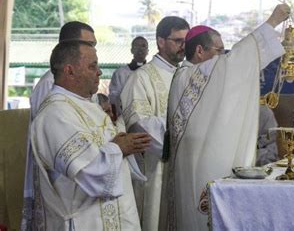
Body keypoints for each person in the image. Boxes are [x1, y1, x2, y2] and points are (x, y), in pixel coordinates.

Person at [162, 3, 290, 230]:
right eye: (219, 51)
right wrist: (272, 22)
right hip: (200, 164)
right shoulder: (189, 75)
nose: (223, 56)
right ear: (200, 51)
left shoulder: (189, 76)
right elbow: (235, 63)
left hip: (200, 160)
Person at [29, 40, 151, 229]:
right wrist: (119, 147)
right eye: (92, 66)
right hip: (86, 221)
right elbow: (88, 169)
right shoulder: (55, 114)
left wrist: (121, 140)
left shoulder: (84, 105)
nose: (99, 71)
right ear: (70, 71)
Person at [22, 21, 97, 229]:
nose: (93, 49)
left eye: (94, 44)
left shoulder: (79, 83)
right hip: (62, 176)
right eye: (88, 43)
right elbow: (51, 131)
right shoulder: (51, 84)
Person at [120, 16, 190, 230]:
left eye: (186, 41)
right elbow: (140, 124)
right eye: (178, 41)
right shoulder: (141, 78)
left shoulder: (187, 74)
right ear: (161, 41)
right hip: (157, 169)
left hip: (184, 167)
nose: (183, 47)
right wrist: (185, 135)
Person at [109, 36, 149, 117]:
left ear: (147, 51)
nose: (140, 49)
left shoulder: (152, 72)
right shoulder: (120, 73)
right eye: (136, 46)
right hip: (126, 115)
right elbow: (114, 96)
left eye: (143, 46)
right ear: (131, 50)